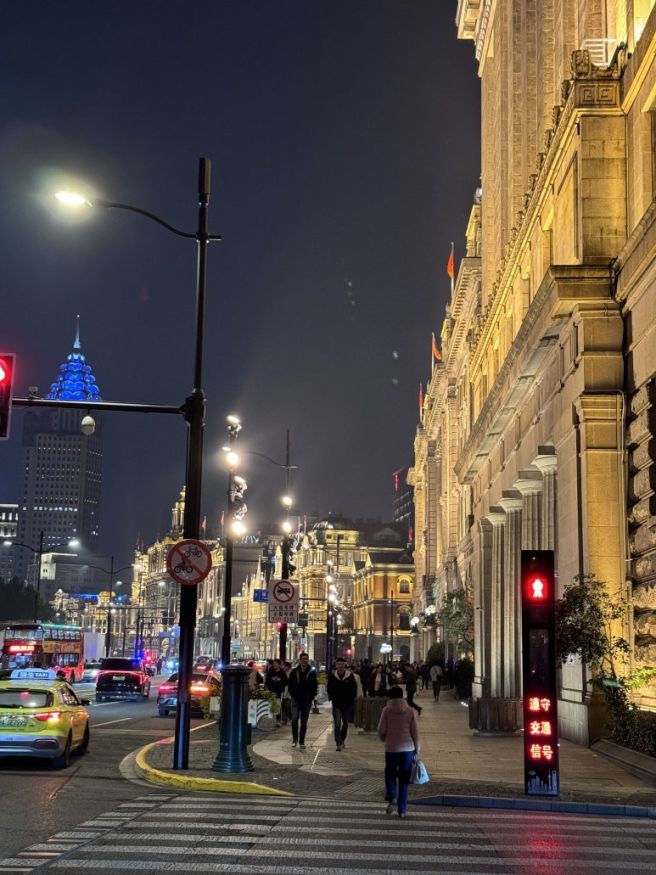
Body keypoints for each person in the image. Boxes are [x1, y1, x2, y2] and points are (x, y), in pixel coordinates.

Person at [377, 685, 420, 818]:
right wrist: (417, 748)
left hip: (392, 748)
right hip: (408, 749)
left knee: (390, 773)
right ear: (402, 696)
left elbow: (381, 729)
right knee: (404, 779)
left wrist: (384, 739)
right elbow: (415, 732)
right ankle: (402, 810)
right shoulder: (410, 711)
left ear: (390, 696)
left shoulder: (386, 710)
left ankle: (392, 796)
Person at [287, 652, 317, 750]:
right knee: (294, 719)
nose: (304, 661)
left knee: (304, 722)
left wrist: (312, 696)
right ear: (300, 660)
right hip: (296, 699)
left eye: (306, 659)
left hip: (306, 700)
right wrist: (293, 695)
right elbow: (290, 684)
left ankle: (302, 741)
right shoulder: (294, 671)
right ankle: (295, 739)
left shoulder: (311, 672)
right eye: (303, 659)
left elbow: (314, 685)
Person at [327, 656, 357, 751]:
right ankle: (338, 743)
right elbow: (329, 688)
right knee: (337, 723)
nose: (340, 666)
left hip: (347, 704)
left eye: (342, 664)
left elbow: (354, 688)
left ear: (345, 665)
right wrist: (331, 697)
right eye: (338, 664)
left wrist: (352, 699)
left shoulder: (349, 676)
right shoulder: (333, 676)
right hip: (336, 703)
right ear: (336, 665)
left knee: (345, 724)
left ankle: (342, 739)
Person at [265, 658, 288, 727]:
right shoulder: (271, 672)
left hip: (279, 691)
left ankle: (278, 720)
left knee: (278, 705)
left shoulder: (282, 673)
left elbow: (285, 682)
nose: (274, 665)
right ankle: (274, 718)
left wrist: (281, 688)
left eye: (276, 664)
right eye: (274, 664)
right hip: (271, 691)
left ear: (279, 665)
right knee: (272, 704)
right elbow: (267, 680)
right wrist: (268, 688)